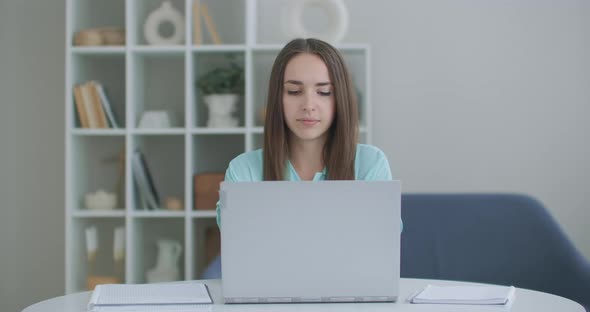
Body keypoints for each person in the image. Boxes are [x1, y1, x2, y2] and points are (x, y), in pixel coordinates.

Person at [202, 38, 394, 279]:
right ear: (277, 99)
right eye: (294, 91)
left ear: (340, 99)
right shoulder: (244, 170)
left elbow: (377, 250)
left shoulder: (370, 164)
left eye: (324, 92)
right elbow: (240, 251)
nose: (309, 105)